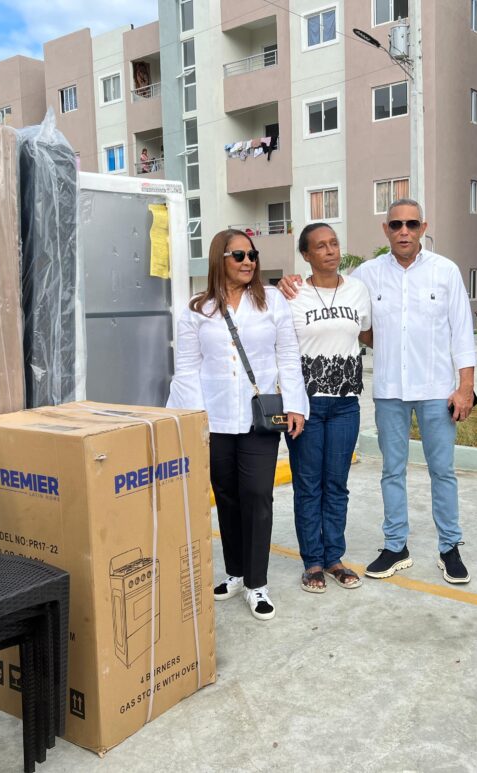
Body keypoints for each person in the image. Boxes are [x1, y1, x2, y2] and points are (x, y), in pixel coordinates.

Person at [280, 198, 476, 585]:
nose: (404, 231)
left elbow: (462, 331)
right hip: (388, 390)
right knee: (392, 471)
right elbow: (360, 326)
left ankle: (449, 546)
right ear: (385, 229)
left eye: (412, 224)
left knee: (442, 471)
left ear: (423, 226)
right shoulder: (366, 276)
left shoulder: (446, 271)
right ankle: (395, 545)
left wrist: (465, 386)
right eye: (396, 224)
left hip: (437, 389)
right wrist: (289, 281)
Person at [167, 229, 308, 621]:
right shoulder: (197, 310)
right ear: (220, 259)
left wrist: (295, 405)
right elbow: (187, 369)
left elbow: (288, 355)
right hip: (213, 420)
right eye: (239, 255)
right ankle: (235, 572)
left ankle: (257, 583)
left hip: (257, 420)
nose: (248, 261)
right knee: (226, 496)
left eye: (252, 255)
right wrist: (194, 421)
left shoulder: (273, 301)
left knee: (258, 495)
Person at [286, 223, 371, 593]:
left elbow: (366, 333)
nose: (330, 251)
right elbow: (280, 350)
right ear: (306, 255)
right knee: (308, 486)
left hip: (346, 404)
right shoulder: (291, 295)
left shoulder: (357, 290)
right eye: (320, 246)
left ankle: (335, 557)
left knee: (337, 484)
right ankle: (313, 563)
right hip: (305, 406)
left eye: (334, 243)